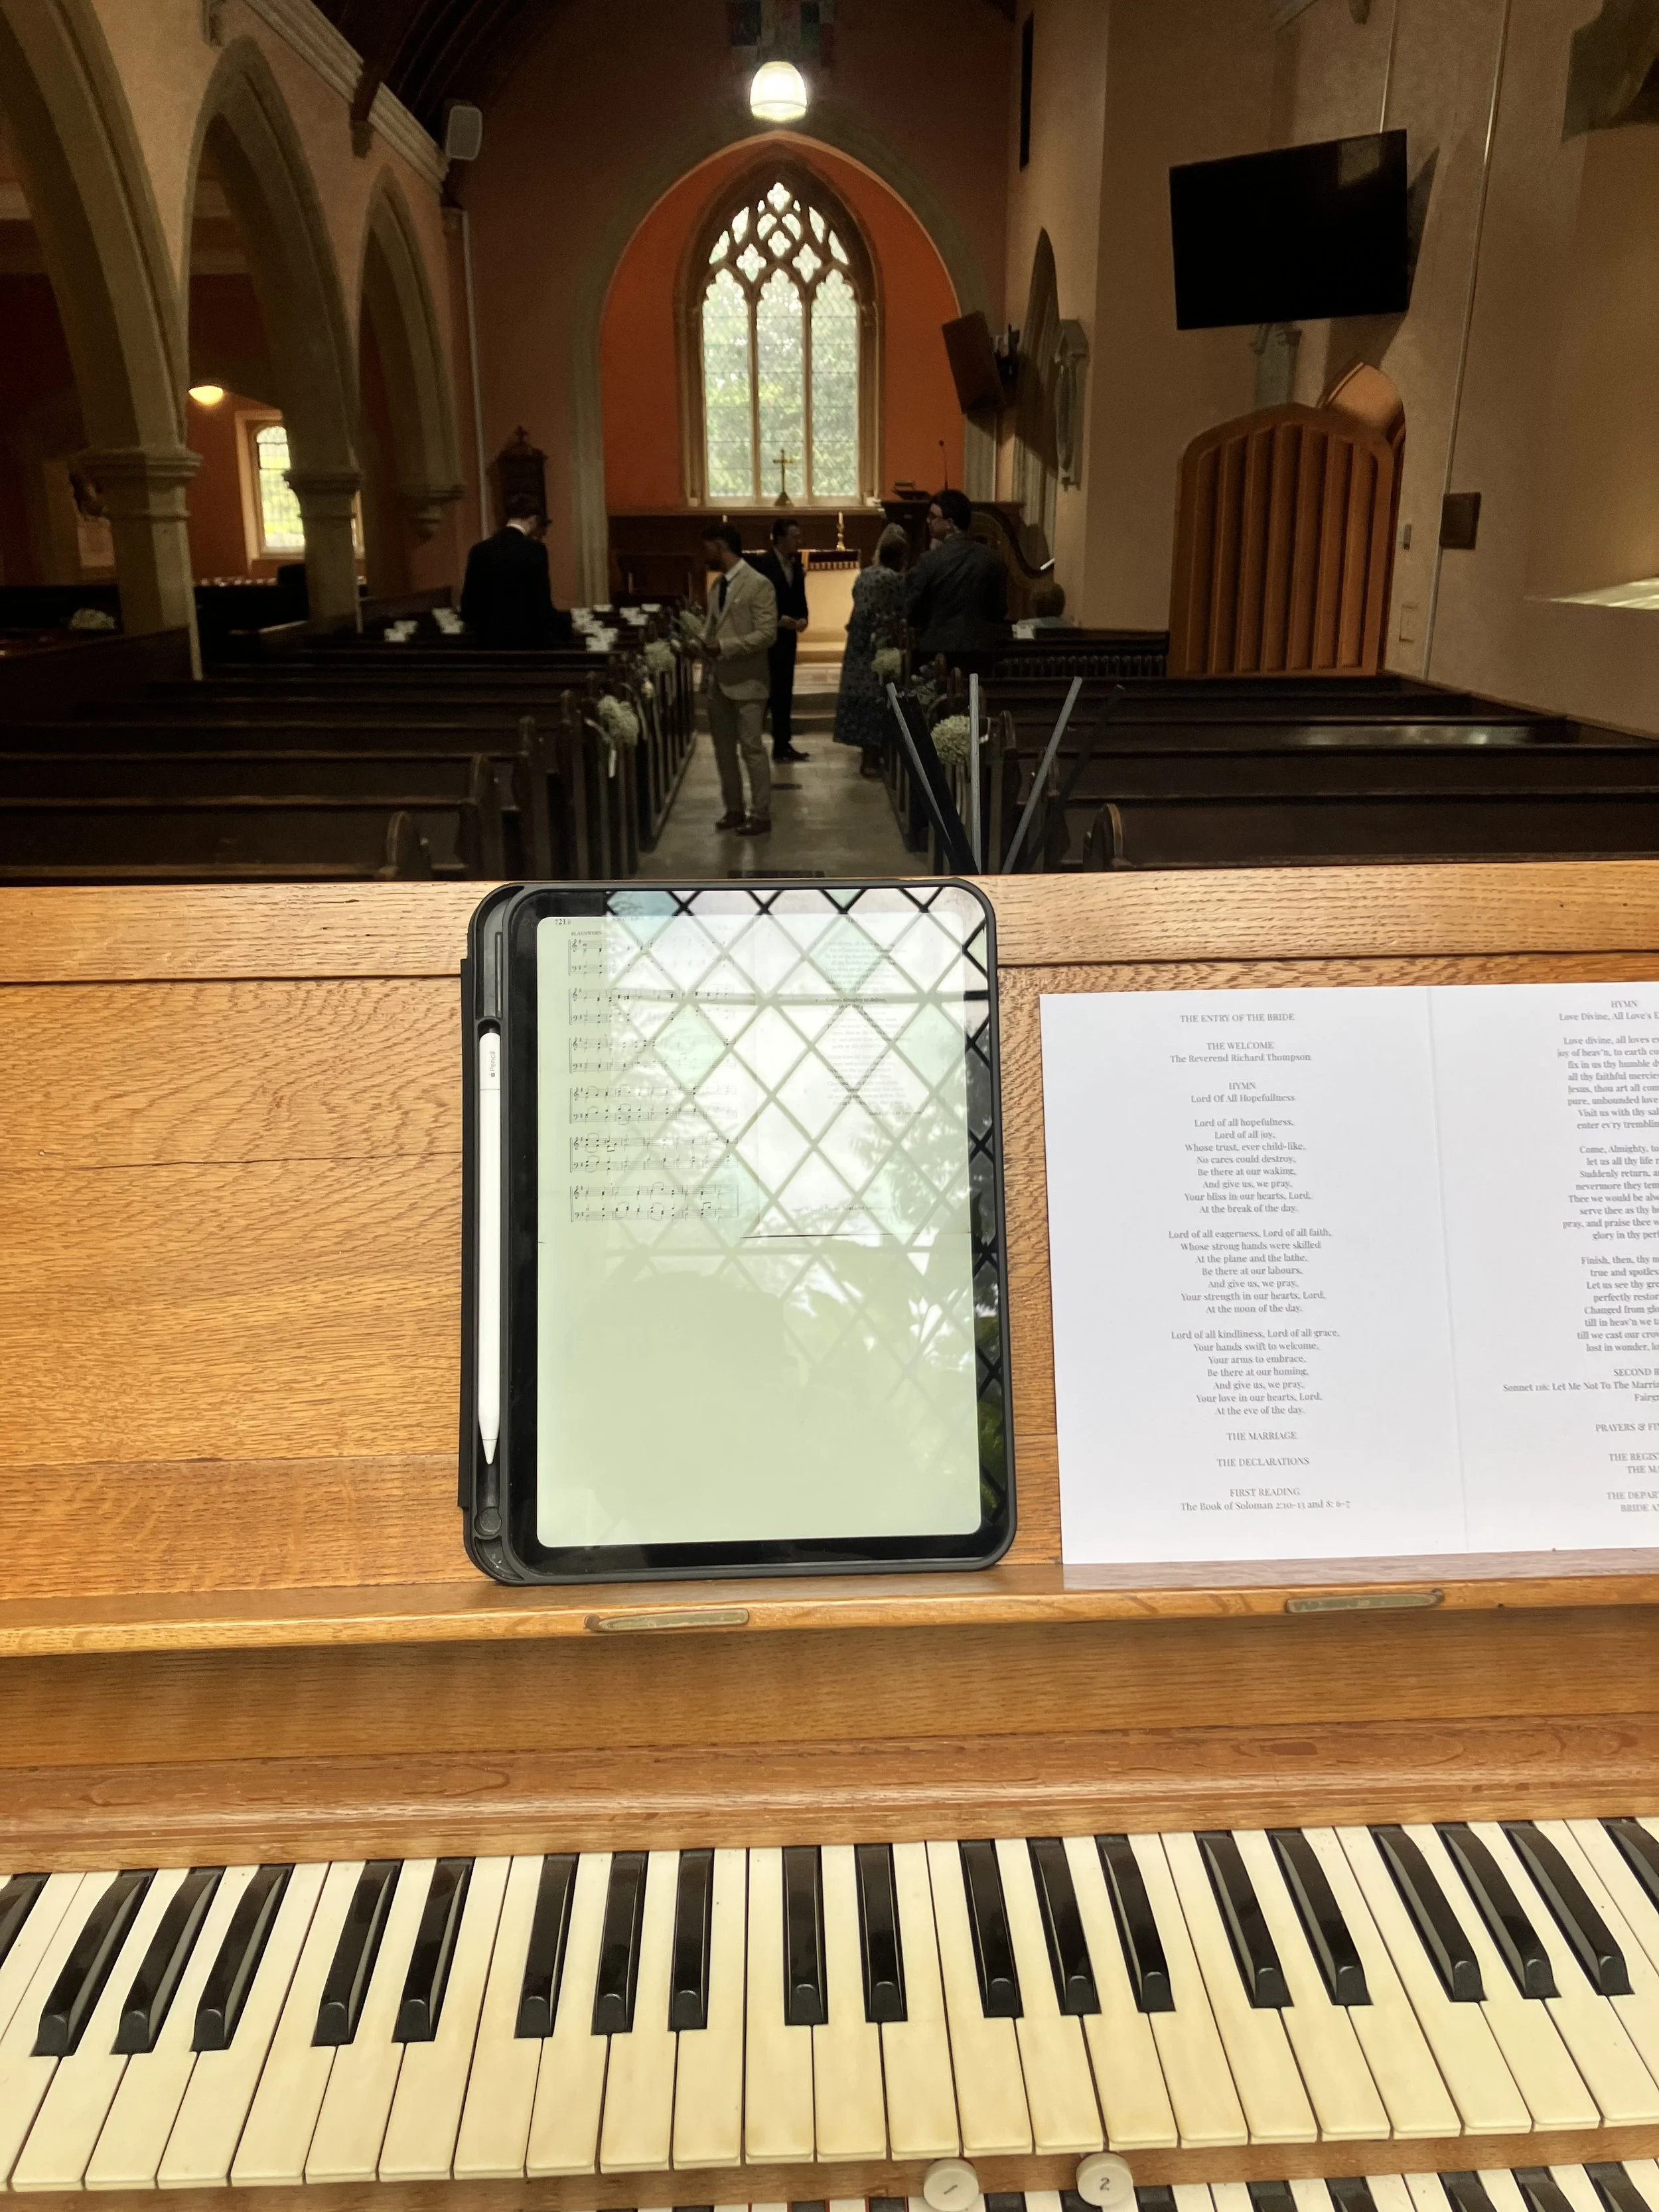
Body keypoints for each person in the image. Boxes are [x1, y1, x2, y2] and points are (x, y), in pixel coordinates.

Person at [697, 520, 778, 837]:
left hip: (749, 681)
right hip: (719, 681)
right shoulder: (717, 586)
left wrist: (725, 647)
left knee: (752, 749)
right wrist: (698, 645)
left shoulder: (758, 584)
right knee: (723, 750)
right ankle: (733, 808)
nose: (705, 555)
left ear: (721, 546)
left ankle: (761, 814)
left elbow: (767, 634)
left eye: (708, 549)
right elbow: (711, 629)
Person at [833, 524, 908, 776]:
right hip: (879, 645)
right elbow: (900, 609)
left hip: (858, 644)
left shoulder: (864, 575)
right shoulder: (893, 579)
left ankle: (868, 756)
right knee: (878, 697)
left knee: (862, 697)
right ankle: (874, 760)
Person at [459, 493, 574, 650]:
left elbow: (468, 607)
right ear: (533, 519)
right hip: (527, 643)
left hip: (488, 643)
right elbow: (541, 603)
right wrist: (567, 631)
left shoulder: (480, 551)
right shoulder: (535, 551)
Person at [904, 487, 1008, 661]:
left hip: (937, 652)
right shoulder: (992, 559)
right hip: (981, 650)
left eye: (933, 517)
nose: (928, 521)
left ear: (949, 524)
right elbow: (999, 611)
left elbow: (912, 610)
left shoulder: (929, 561)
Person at [752, 516, 811, 763]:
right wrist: (779, 619)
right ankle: (753, 743)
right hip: (767, 638)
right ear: (779, 539)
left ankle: (782, 745)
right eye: (794, 537)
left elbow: (799, 597)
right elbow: (756, 603)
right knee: (764, 692)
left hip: (787, 639)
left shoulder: (796, 565)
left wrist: (804, 618)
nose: (799, 541)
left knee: (785, 691)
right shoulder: (762, 565)